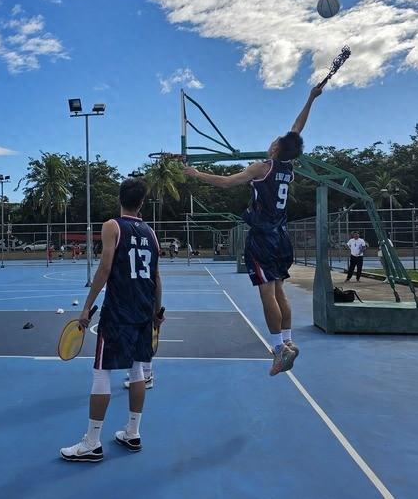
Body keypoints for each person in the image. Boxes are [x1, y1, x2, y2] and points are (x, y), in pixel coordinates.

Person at [184, 85, 323, 376]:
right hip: (282, 237)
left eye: (275, 140)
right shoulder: (288, 167)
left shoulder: (262, 167)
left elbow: (226, 182)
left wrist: (197, 175)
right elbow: (296, 130)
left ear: (275, 148)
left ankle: (278, 349)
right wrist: (310, 98)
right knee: (280, 290)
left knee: (266, 294)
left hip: (262, 238)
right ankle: (288, 341)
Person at [60, 178, 163, 462]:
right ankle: (132, 433)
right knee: (138, 371)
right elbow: (156, 277)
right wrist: (157, 311)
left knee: (101, 372)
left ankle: (92, 442)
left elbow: (105, 268)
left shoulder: (112, 226)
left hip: (119, 310)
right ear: (142, 202)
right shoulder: (152, 234)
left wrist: (86, 307)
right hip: (144, 310)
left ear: (120, 198)